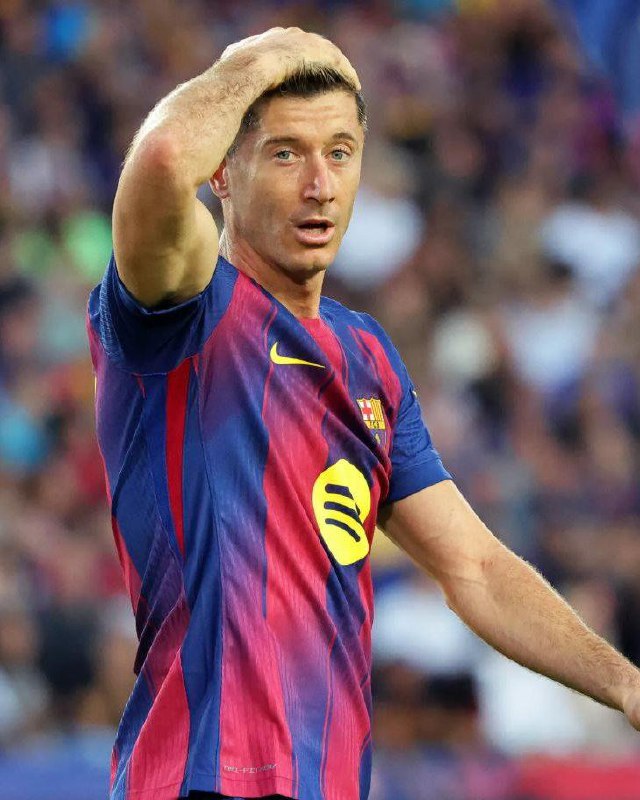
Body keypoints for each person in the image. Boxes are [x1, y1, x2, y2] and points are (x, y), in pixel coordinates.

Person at [87, 27, 640, 800]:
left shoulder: (367, 359)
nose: (320, 184)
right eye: (286, 153)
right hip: (198, 778)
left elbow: (476, 569)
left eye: (340, 153)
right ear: (224, 173)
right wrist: (266, 59)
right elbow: (162, 160)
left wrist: (626, 684)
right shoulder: (183, 309)